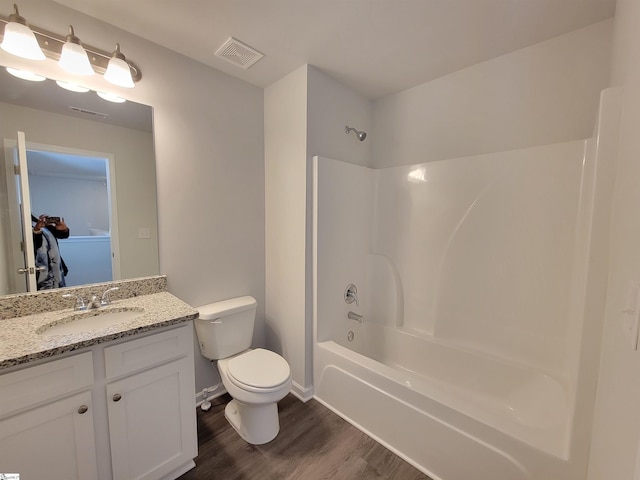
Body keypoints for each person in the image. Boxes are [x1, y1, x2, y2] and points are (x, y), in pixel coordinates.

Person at [32, 214, 69, 290]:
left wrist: (64, 229)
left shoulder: (40, 223)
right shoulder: (24, 226)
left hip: (56, 271)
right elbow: (35, 244)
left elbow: (63, 235)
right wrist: (36, 230)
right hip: (38, 272)